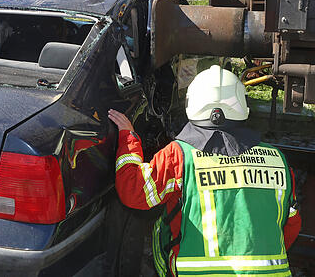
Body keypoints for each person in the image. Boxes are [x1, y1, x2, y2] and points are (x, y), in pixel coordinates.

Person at [109, 65, 301, 277]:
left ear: (192, 104)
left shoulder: (179, 155)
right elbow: (291, 224)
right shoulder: (277, 159)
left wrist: (128, 137)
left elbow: (134, 192)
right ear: (243, 107)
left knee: (161, 224)